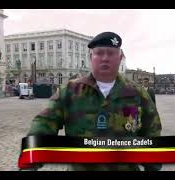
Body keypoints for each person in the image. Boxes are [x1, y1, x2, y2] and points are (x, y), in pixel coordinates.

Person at [26, 32, 162, 171]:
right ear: (91, 57)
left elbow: (152, 132)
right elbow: (44, 125)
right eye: (99, 53)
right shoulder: (70, 91)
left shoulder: (137, 93)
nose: (105, 58)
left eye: (111, 53)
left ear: (120, 57)